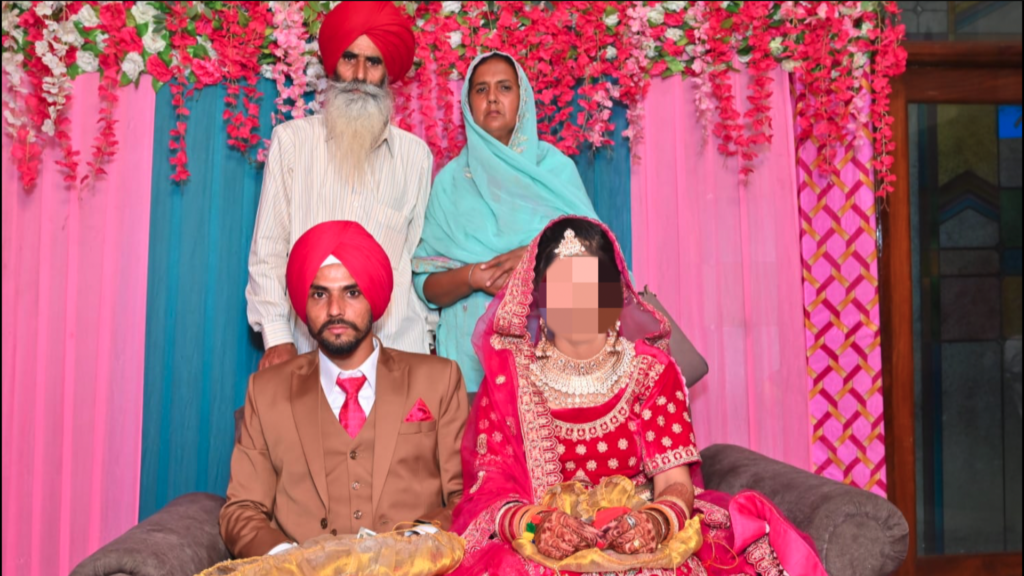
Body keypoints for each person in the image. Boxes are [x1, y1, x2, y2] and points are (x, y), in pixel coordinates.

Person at [449, 216, 828, 576]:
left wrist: (654, 523)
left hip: (639, 539)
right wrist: (537, 525)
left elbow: (674, 482)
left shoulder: (651, 371)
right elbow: (490, 492)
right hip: (542, 546)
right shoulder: (511, 382)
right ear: (539, 298)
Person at [222, 221, 468, 559]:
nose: (335, 309)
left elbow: (467, 496)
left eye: (352, 293)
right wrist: (290, 562)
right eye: (319, 294)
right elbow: (242, 509)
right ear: (303, 301)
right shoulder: (267, 393)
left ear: (374, 296)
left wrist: (414, 545)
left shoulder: (438, 380)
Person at [247, 1, 435, 371]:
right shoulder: (292, 143)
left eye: (373, 62)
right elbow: (269, 250)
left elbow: (418, 260)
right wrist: (278, 337)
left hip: (396, 349)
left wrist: (426, 339)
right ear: (332, 65)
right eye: (350, 58)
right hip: (310, 350)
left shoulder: (416, 157)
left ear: (387, 73)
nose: (360, 75)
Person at [412, 52, 599, 393]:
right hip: (470, 367)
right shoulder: (450, 182)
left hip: (555, 362)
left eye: (504, 87)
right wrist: (473, 277)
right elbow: (426, 285)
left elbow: (601, 261)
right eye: (481, 89)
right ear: (468, 104)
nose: (493, 98)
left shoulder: (555, 171)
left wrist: (539, 255)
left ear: (522, 98)